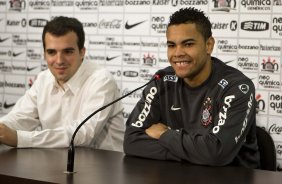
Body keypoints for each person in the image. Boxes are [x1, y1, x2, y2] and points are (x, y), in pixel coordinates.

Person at [123, 7, 260, 168]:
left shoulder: (236, 87)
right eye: (171, 45)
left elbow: (216, 153)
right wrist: (197, 153)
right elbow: (131, 141)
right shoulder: (162, 82)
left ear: (209, 45)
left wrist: (164, 134)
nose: (178, 53)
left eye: (188, 44)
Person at [0, 16, 124, 151]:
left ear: (82, 52)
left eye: (68, 52)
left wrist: (19, 138)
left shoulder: (101, 81)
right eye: (52, 52)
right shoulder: (43, 79)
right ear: (44, 54)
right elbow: (20, 118)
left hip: (104, 167)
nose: (59, 60)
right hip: (55, 163)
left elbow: (84, 134)